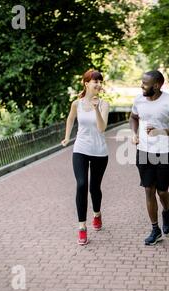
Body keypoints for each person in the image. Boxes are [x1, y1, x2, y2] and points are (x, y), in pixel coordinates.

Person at [129, 70, 169, 245]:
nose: (141, 85)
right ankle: (155, 229)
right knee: (149, 190)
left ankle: (167, 210)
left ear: (157, 85)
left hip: (164, 152)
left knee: (162, 191)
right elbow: (133, 117)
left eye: (145, 83)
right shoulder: (139, 100)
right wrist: (134, 134)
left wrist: (160, 131)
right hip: (144, 150)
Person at [61, 69, 110, 245]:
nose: (98, 84)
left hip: (99, 151)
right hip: (80, 148)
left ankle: (97, 214)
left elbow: (102, 128)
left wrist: (96, 109)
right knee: (82, 184)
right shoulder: (77, 103)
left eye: (100, 81)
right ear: (86, 83)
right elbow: (70, 119)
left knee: (94, 187)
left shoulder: (104, 105)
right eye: (94, 81)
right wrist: (67, 137)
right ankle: (82, 227)